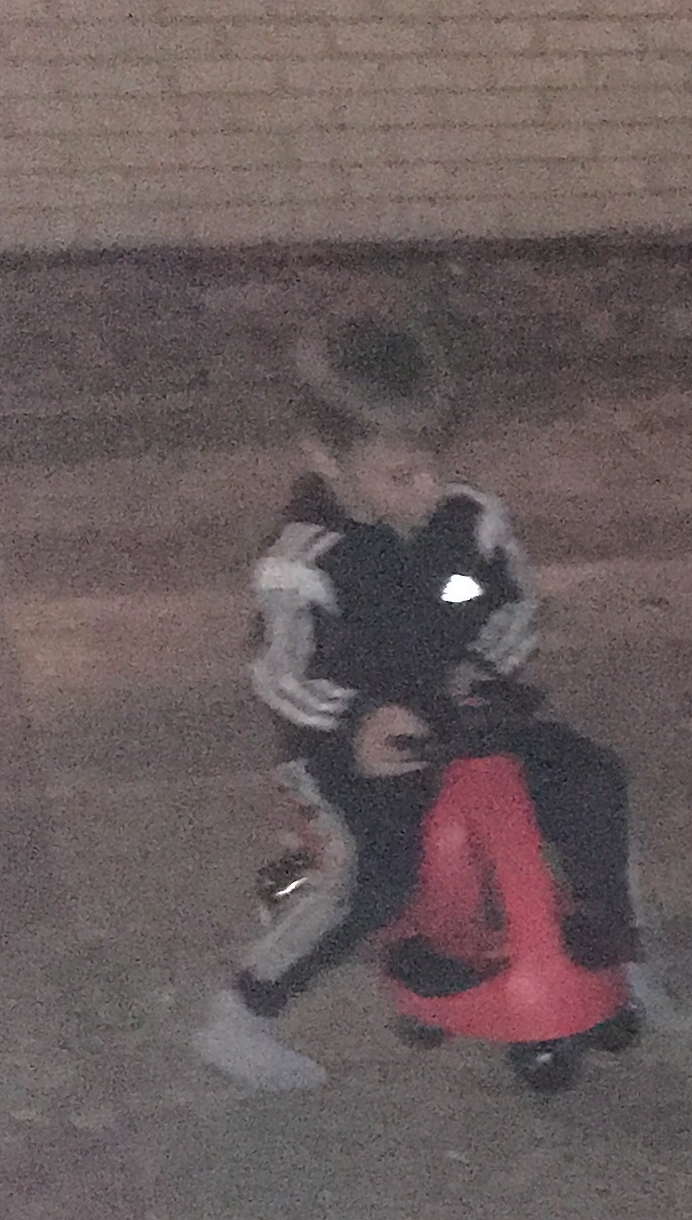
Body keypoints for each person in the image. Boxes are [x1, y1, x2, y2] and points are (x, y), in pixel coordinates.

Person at [192, 316, 638, 1091]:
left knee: (589, 781)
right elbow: (282, 672)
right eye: (401, 475)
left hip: (461, 714)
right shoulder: (303, 564)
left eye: (435, 464)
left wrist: (478, 670)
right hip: (344, 748)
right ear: (326, 458)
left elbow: (511, 607)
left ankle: (615, 943)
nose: (428, 489)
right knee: (375, 870)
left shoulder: (470, 524)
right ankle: (246, 1009)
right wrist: (355, 721)